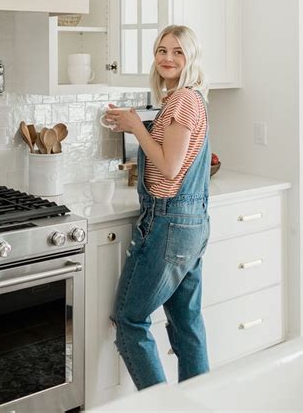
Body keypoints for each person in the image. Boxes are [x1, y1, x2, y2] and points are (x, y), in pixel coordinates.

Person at [104, 24, 211, 390]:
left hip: (169, 222)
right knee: (186, 322)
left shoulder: (182, 100)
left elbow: (168, 166)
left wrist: (136, 126)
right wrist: (137, 124)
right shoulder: (190, 98)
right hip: (191, 222)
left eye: (178, 51)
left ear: (191, 58)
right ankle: (198, 401)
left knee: (129, 320)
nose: (167, 58)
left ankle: (159, 405)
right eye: (162, 50)